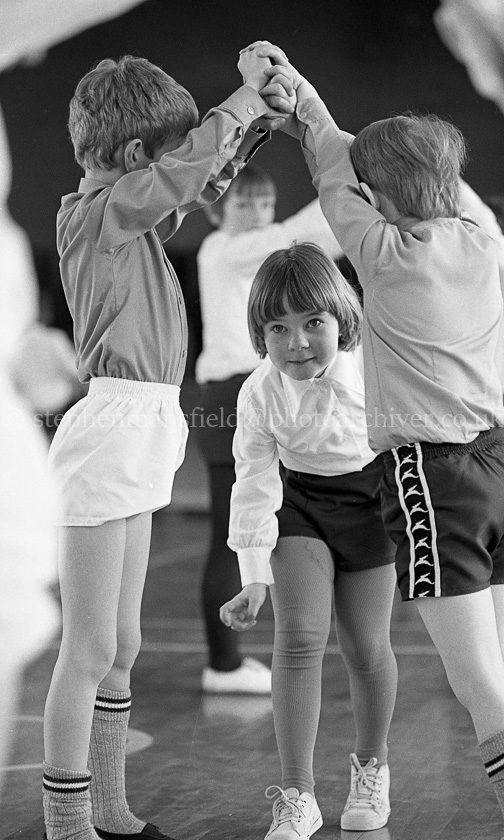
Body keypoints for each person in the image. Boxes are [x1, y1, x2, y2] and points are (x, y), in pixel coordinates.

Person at [252, 39, 504, 831]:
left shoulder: (388, 256)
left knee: (480, 689)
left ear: (384, 201)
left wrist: (302, 97)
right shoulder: (484, 237)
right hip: (501, 461)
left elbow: (330, 169)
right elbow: (422, 177)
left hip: (439, 478)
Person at [43, 48, 294, 840]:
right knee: (87, 650)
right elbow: (183, 179)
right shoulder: (93, 217)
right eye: (164, 155)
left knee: (124, 642)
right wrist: (243, 101)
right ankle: (67, 821)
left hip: (146, 426)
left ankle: (112, 810)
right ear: (132, 159)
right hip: (112, 430)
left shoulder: (133, 217)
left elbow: (196, 181)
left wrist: (251, 132)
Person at [220, 243, 398, 837]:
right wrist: (252, 577)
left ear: (340, 319)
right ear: (261, 335)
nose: (296, 342)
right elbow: (253, 483)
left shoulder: (377, 366)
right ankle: (298, 794)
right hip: (299, 507)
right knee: (298, 637)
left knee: (366, 647)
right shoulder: (259, 394)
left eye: (312, 323)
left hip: (373, 503)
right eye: (279, 328)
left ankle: (371, 771)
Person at [195, 163, 343, 694]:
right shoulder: (224, 249)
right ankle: (225, 664)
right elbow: (300, 238)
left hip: (245, 388)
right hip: (232, 396)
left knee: (267, 519)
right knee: (229, 530)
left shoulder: (244, 254)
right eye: (244, 203)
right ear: (217, 210)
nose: (258, 212)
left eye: (265, 201)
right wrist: (342, 186)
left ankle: (237, 657)